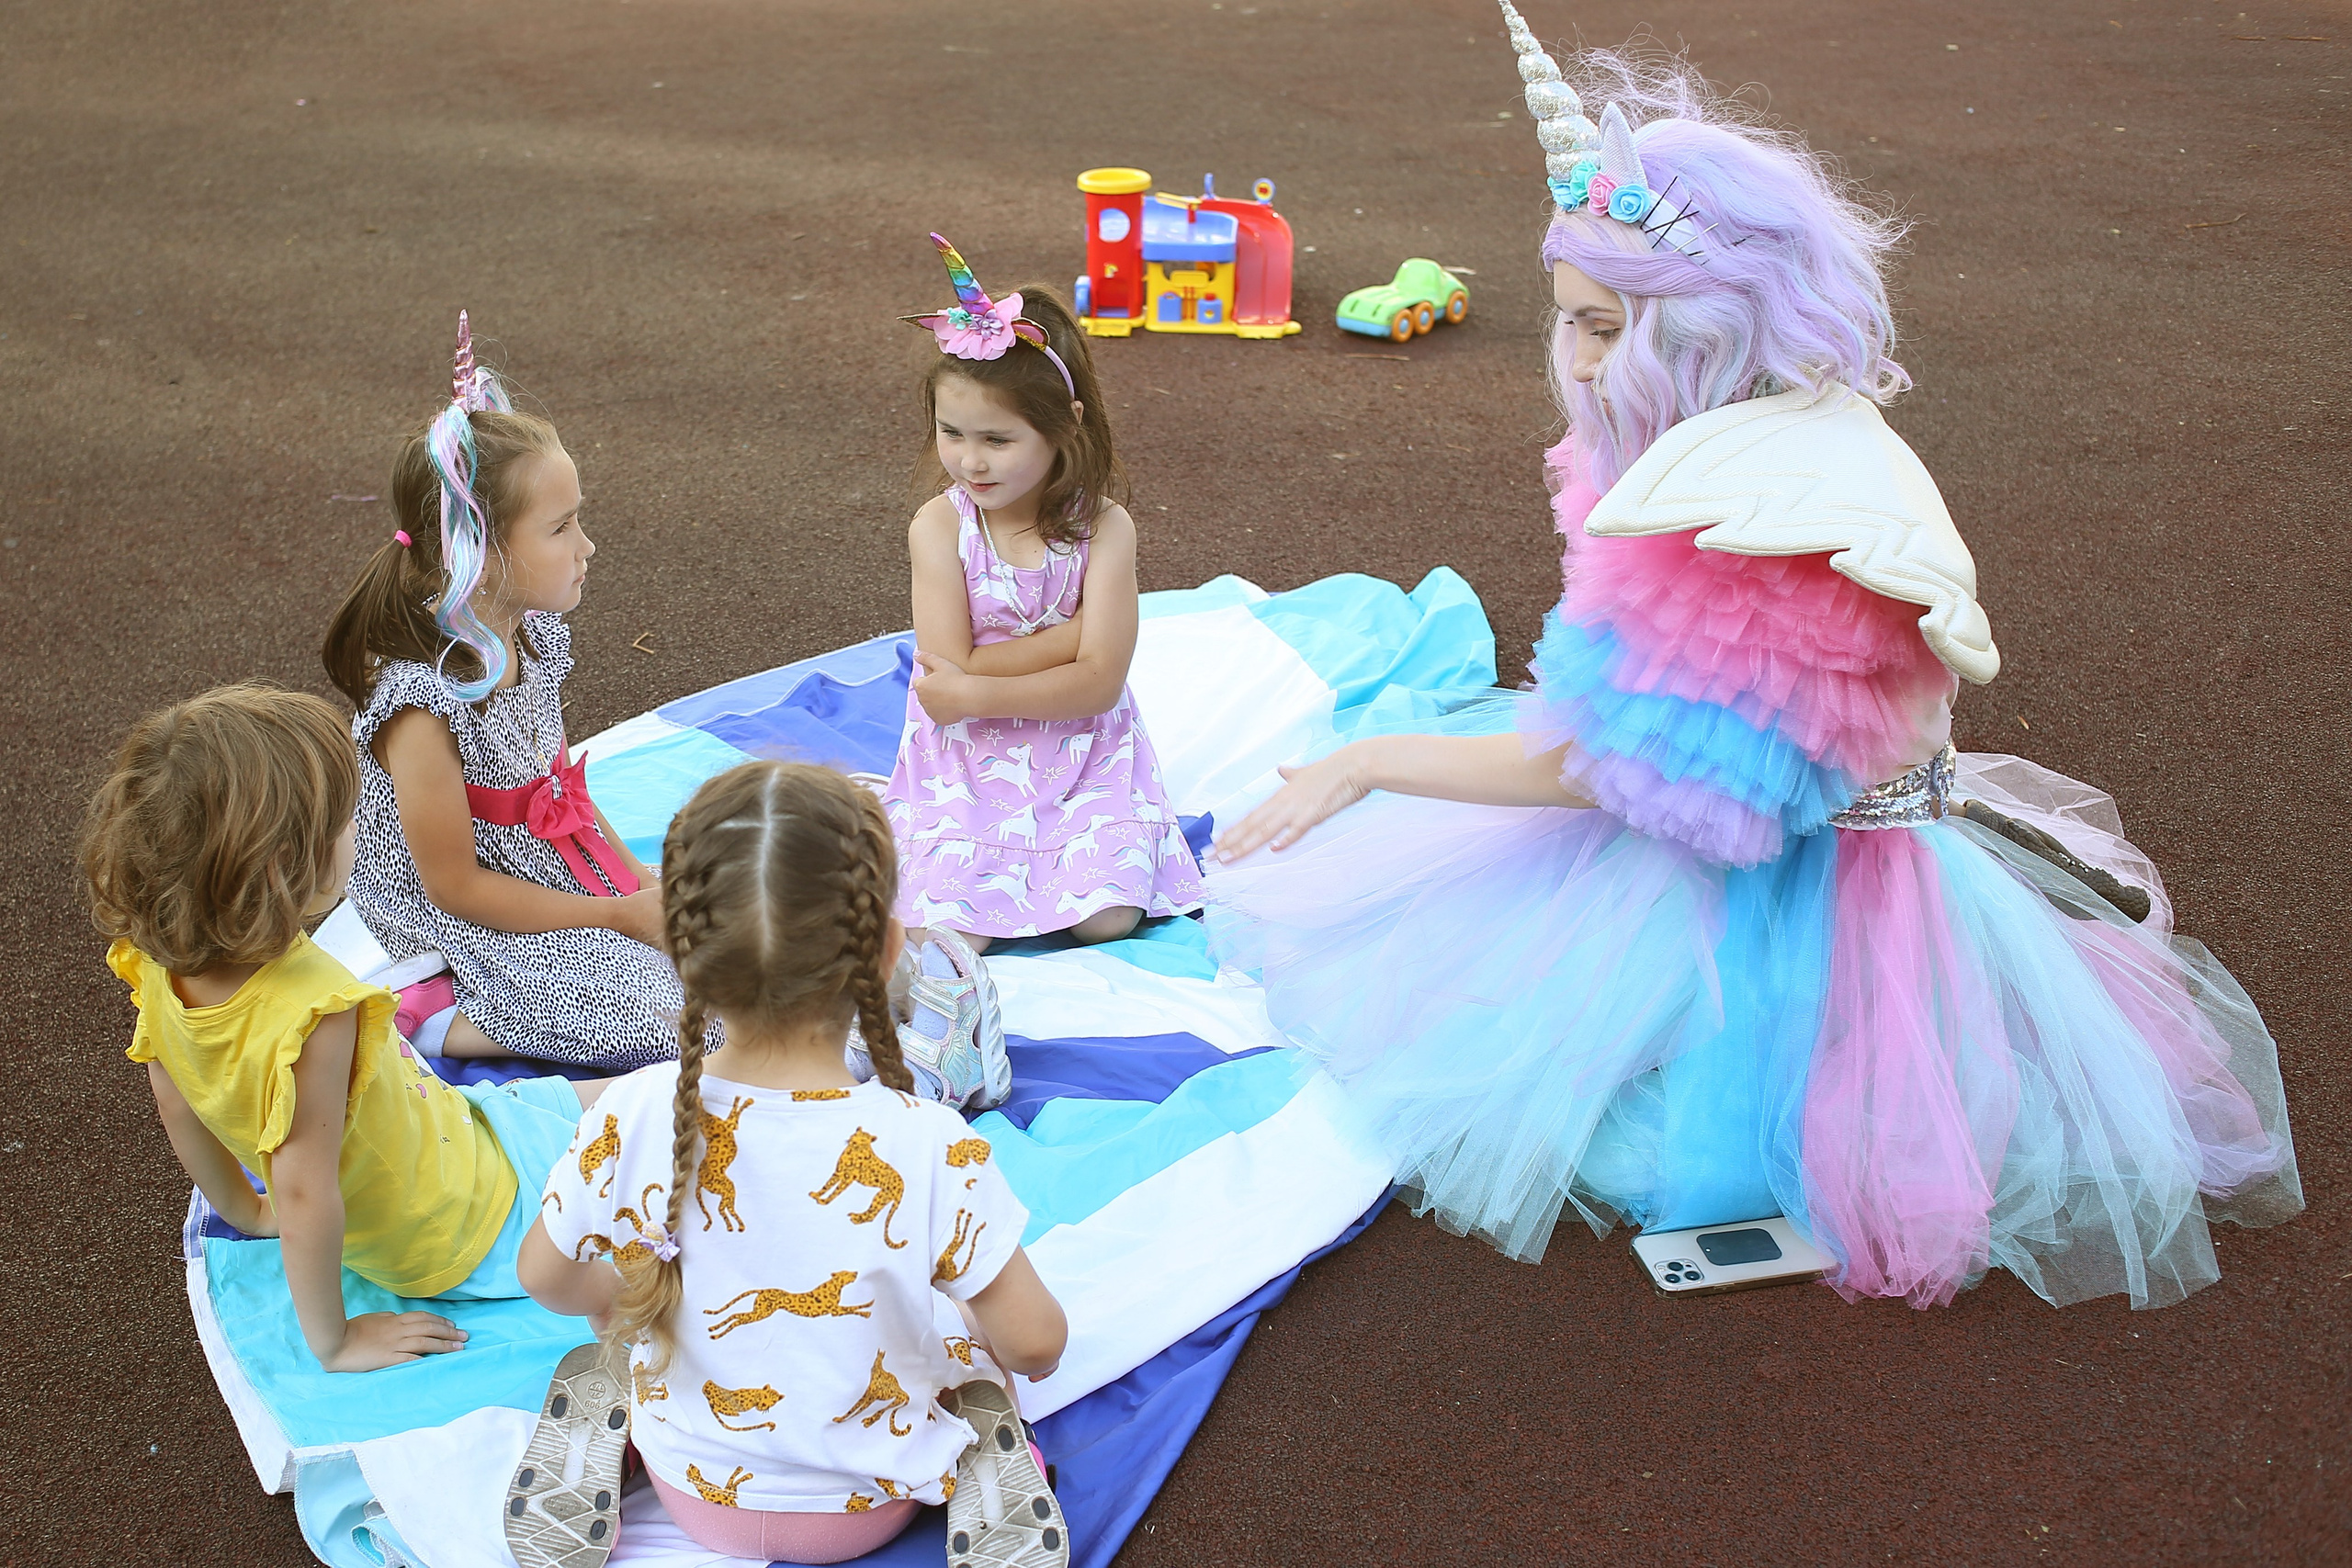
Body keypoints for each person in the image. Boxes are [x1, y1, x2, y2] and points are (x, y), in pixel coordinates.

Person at [1207, 6, 2301, 1312]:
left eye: (1608, 325)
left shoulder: (1764, 514)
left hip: (1805, 894)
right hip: (1779, 815)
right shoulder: (1775, 435)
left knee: (1525, 1045)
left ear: (1710, 327)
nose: (1578, 359)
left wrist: (1376, 760)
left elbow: (1606, 773)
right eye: (1570, 319)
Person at [519, 761, 1070, 1568]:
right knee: (970, 1348)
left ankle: (629, 1422)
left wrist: (626, 1298)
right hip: (870, 1507)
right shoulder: (931, 1141)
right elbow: (1038, 1341)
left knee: (634, 1325)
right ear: (886, 949)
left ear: (680, 948)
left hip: (693, 1491)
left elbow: (546, 1277)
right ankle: (981, 1446)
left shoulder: (629, 1111)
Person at [80, 683, 598, 1373]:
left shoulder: (155, 962)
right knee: (672, 1176)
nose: (361, 825)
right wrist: (336, 1339)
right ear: (283, 867)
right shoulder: (315, 1015)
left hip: (452, 1133)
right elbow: (302, 1189)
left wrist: (245, 1210)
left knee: (638, 1098)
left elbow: (175, 1099)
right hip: (469, 1221)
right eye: (346, 819)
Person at [321, 313, 677, 1070]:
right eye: (562, 527)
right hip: (457, 919)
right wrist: (614, 914)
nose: (587, 546)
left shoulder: (530, 634)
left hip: (528, 868)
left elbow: (559, 787)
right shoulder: (423, 704)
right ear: (479, 555)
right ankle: (439, 1013)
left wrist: (634, 882)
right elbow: (452, 888)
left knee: (708, 938)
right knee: (672, 1022)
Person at [883, 234, 1204, 953]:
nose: (969, 459)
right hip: (969, 756)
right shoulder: (939, 527)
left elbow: (1097, 686)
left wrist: (982, 683)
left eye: (998, 439)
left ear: (1065, 429)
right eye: (951, 431)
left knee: (1108, 916)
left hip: (1083, 749)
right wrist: (1073, 640)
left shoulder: (1106, 529)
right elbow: (944, 668)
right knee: (955, 929)